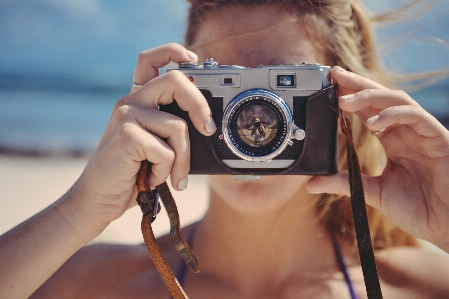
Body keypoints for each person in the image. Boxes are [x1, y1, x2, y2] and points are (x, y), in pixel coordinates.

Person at [1, 0, 449, 298]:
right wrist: (80, 211)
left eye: (285, 84)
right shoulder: (89, 283)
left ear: (341, 108)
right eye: (225, 86)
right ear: (178, 96)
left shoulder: (421, 286)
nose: (250, 117)